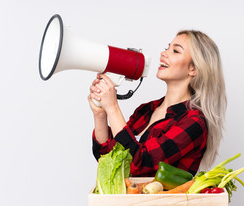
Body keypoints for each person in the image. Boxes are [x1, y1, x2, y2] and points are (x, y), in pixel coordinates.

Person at [88, 30, 227, 177]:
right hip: (129, 199)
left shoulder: (193, 122)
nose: (164, 53)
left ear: (193, 69)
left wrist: (113, 108)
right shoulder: (146, 110)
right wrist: (101, 114)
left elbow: (140, 163)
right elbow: (108, 159)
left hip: (162, 201)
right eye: (167, 47)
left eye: (175, 51)